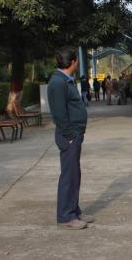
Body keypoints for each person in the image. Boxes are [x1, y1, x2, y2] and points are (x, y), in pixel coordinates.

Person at [47, 46, 93, 230]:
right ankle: (66, 216)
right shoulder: (58, 82)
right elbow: (59, 114)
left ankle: (74, 210)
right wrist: (69, 135)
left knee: (75, 173)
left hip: (74, 133)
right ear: (73, 62)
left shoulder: (65, 80)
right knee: (69, 175)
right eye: (77, 61)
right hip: (69, 135)